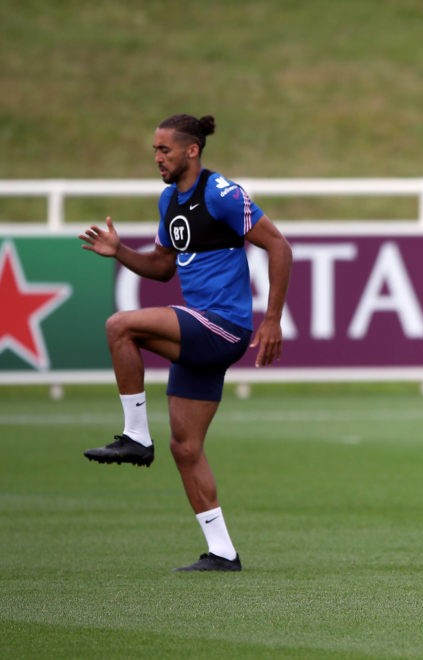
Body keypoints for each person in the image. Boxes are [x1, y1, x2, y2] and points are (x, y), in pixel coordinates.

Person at [79, 114, 293, 571]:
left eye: (165, 150)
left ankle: (135, 436)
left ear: (191, 150)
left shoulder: (221, 194)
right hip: (201, 331)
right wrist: (119, 252)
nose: (157, 158)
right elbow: (161, 267)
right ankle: (222, 552)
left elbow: (279, 246)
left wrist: (271, 319)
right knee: (185, 447)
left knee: (120, 326)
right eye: (155, 150)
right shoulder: (168, 201)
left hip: (222, 325)